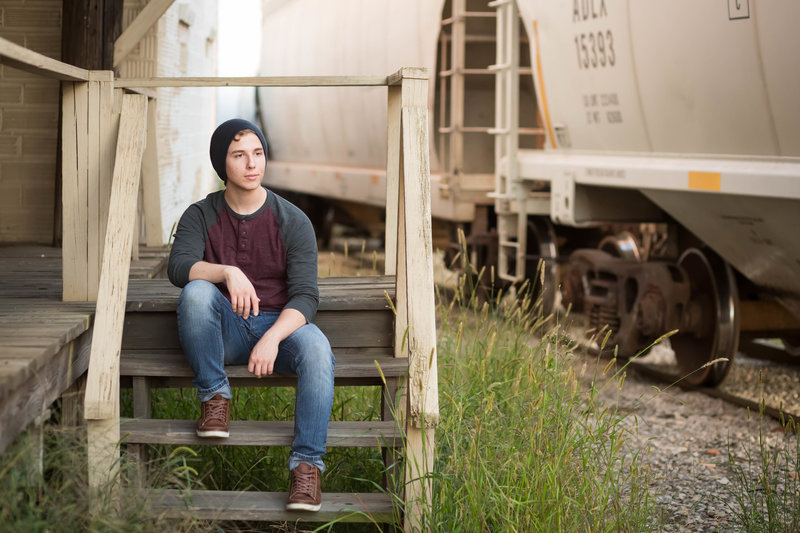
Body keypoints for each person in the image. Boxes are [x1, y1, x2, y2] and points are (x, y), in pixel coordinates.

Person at [167, 118, 334, 512]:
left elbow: (307, 297)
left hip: (281, 328)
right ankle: (214, 397)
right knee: (195, 293)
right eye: (239, 155)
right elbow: (178, 267)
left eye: (257, 153)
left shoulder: (293, 220)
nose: (251, 164)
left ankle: (307, 467)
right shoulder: (200, 215)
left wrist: (273, 337)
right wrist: (226, 271)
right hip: (222, 331)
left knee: (318, 351)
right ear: (222, 164)